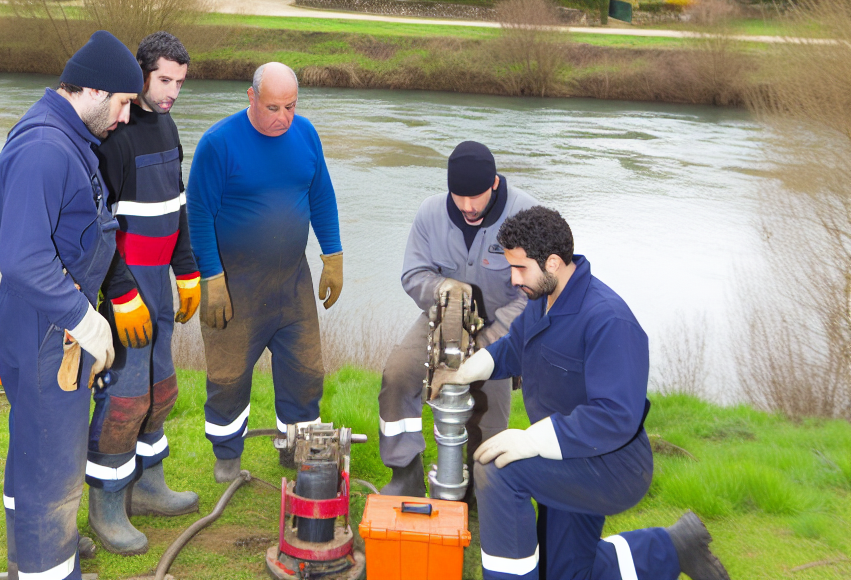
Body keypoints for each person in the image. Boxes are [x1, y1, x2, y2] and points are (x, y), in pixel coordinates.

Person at [441, 205, 730, 580]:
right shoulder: (541, 299)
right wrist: (466, 371)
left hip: (612, 465)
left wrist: (533, 440)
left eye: (520, 268)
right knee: (563, 574)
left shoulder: (609, 321)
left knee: (497, 471)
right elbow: (516, 348)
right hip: (565, 454)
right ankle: (674, 548)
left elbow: (615, 416)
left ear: (554, 263)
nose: (513, 279)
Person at [0, 30, 144, 580]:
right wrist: (79, 315)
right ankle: (50, 569)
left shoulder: (63, 136)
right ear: (97, 90)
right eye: (124, 103)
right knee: (52, 469)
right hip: (47, 332)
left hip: (42, 323)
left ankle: (28, 558)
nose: (125, 118)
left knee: (33, 451)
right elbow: (21, 258)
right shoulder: (46, 150)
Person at [187, 61, 343, 481]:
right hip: (235, 286)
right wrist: (211, 277)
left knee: (306, 372)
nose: (284, 118)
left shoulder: (305, 134)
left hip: (292, 282)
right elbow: (198, 215)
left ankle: (297, 450)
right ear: (251, 97)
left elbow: (322, 196)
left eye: (291, 106)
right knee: (228, 375)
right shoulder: (218, 144)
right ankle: (227, 457)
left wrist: (333, 256)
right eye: (274, 107)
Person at [85, 32, 201, 555]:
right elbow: (96, 225)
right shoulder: (115, 135)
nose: (172, 91)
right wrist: (120, 292)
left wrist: (188, 268)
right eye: (163, 80)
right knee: (124, 398)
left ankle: (148, 485)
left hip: (159, 284)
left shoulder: (170, 125)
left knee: (161, 390)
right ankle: (108, 505)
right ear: (141, 75)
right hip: (124, 287)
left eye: (179, 81)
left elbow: (176, 207)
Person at [379, 140, 538, 496]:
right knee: (398, 375)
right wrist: (446, 293)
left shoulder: (527, 215)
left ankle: (476, 489)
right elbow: (413, 274)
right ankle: (404, 472)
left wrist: (483, 343)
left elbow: (531, 297)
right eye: (458, 196)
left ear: (494, 183)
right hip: (440, 321)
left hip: (502, 330)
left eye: (476, 197)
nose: (467, 207)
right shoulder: (430, 213)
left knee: (490, 418)